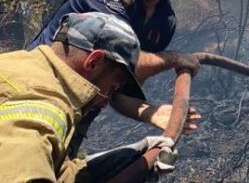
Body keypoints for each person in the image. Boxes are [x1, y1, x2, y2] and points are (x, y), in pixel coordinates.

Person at [28, 0, 201, 156]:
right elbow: (123, 61)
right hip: (33, 97)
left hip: (76, 119)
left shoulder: (164, 22)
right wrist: (174, 58)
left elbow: (118, 84)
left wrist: (151, 113)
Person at [0, 12, 175, 181]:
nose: (106, 101)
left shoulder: (18, 66)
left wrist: (121, 159)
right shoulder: (42, 109)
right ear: (93, 62)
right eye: (112, 87)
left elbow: (53, 169)